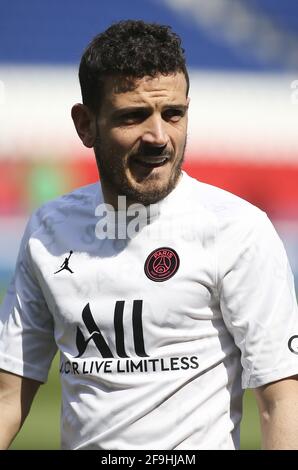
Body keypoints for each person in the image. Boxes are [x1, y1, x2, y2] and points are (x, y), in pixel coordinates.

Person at [0, 20, 298, 451]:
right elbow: (9, 394)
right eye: (134, 116)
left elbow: (282, 400)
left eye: (173, 114)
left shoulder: (238, 229)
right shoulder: (48, 230)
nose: (159, 138)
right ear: (86, 125)